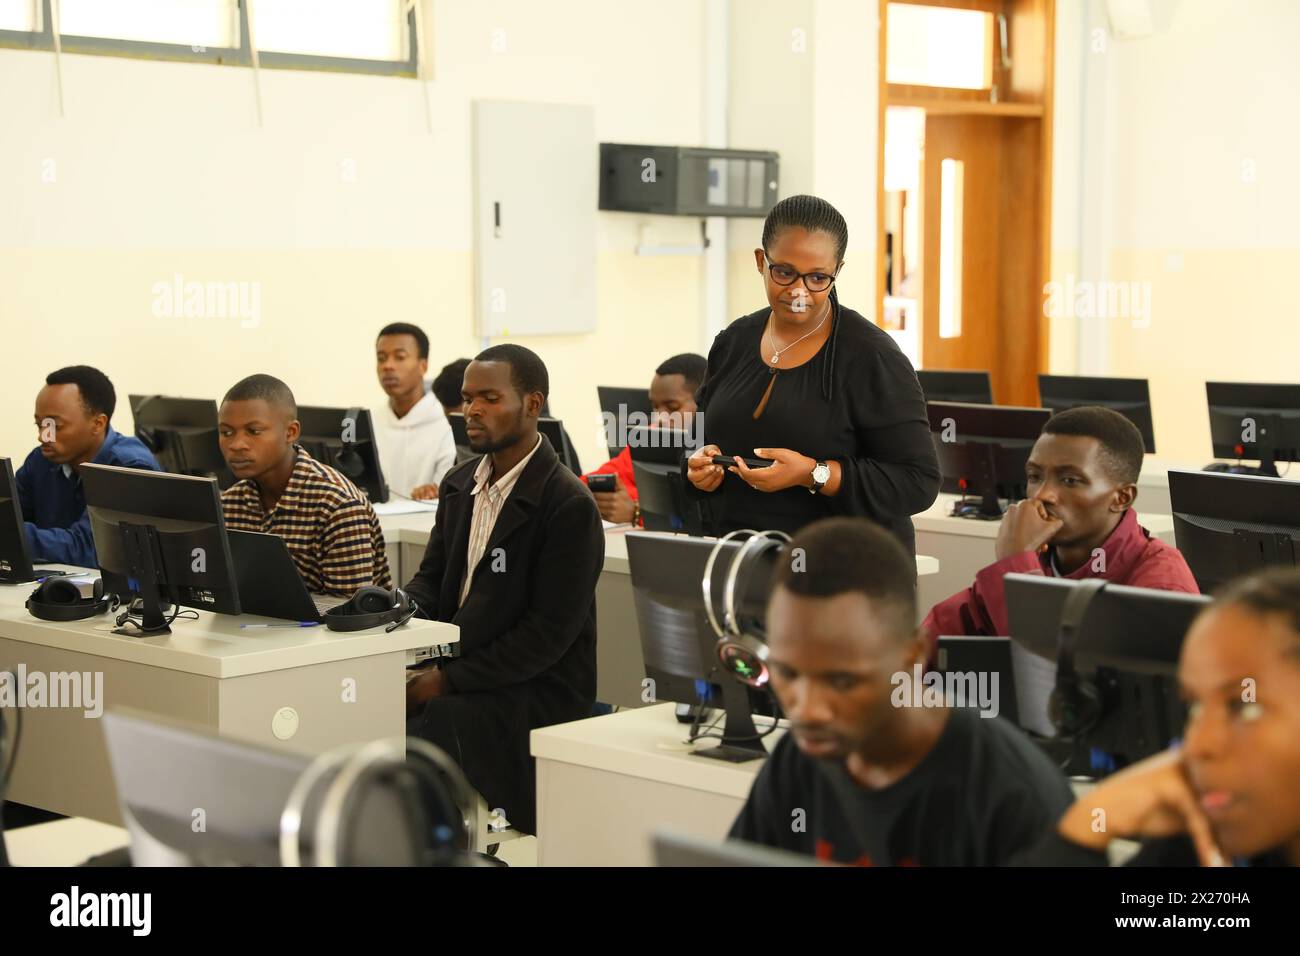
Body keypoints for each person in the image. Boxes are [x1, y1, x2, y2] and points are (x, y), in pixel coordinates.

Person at [729, 517, 1073, 865]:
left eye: (842, 681)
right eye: (787, 672)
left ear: (912, 656)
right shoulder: (798, 760)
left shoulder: (1015, 799)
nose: (807, 710)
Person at [403, 345, 602, 835]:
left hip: (537, 688)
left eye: (489, 398)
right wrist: (392, 614)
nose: (472, 410)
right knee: (369, 701)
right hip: (471, 666)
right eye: (468, 398)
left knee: (431, 719)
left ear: (533, 404)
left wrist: (447, 680)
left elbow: (546, 636)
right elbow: (431, 583)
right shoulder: (458, 485)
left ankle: (444, 847)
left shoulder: (567, 504)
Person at [685, 194, 939, 553]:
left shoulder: (872, 357)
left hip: (844, 579)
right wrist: (697, 467)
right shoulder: (734, 342)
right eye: (784, 272)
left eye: (818, 277)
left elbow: (918, 482)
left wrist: (813, 474)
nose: (799, 291)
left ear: (837, 273)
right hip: (742, 566)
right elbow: (696, 438)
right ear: (761, 261)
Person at [1015, 566, 1300, 866]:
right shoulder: (1197, 844)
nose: (1197, 745)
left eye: (1244, 707)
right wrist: (1091, 822)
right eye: (1194, 707)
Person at [923, 406, 1198, 646]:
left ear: (1121, 498)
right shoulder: (1042, 558)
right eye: (1034, 476)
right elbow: (938, 632)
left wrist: (1016, 564)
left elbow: (1059, 677)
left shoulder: (1161, 582)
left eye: (1069, 480)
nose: (1042, 494)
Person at [218, 374, 391, 595]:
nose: (237, 444)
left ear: (291, 432)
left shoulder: (338, 505)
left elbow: (349, 614)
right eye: (226, 433)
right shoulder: (230, 504)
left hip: (330, 629)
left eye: (254, 431)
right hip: (254, 626)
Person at [16, 365, 161, 567]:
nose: (43, 436)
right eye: (40, 424)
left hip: (120, 596)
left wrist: (11, 534)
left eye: (55, 426)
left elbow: (89, 550)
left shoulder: (129, 468)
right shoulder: (40, 460)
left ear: (98, 423)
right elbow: (11, 517)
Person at [583, 352, 707, 525]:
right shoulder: (652, 436)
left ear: (704, 402)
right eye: (655, 407)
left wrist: (637, 512)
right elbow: (591, 483)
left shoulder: (721, 448)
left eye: (672, 407)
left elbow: (705, 519)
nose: (659, 418)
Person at [373, 323, 455, 501]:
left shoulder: (445, 422)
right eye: (381, 358)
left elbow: (449, 492)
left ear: (423, 366)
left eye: (400, 357)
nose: (388, 366)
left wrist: (433, 492)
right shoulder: (371, 422)